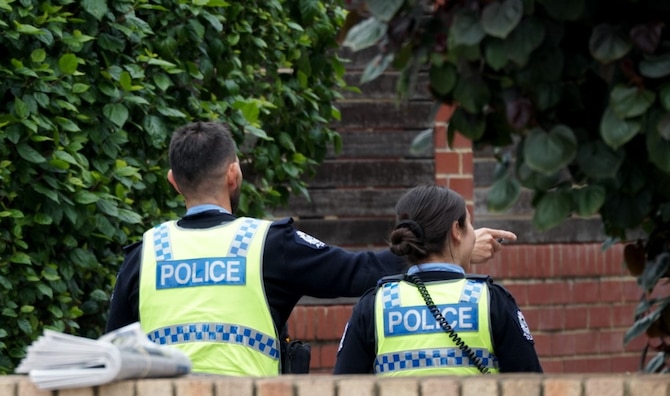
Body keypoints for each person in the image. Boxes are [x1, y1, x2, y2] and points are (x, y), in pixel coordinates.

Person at [106, 121, 516, 376]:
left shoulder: (145, 253)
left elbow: (114, 352)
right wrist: (449, 249)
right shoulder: (267, 244)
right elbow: (356, 272)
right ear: (234, 174)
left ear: (173, 181)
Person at [333, 183, 542, 375]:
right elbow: (531, 388)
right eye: (469, 225)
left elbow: (342, 393)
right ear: (456, 230)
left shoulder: (374, 305)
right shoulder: (491, 300)